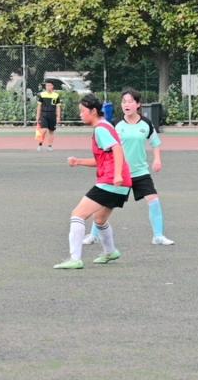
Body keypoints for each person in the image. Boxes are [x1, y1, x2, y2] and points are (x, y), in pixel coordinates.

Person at [84, 89, 174, 246]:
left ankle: (158, 236)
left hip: (140, 172)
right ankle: (93, 235)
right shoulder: (115, 125)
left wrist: (157, 160)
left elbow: (155, 143)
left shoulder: (146, 123)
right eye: (124, 101)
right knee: (105, 203)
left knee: (153, 199)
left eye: (130, 101)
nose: (126, 104)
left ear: (138, 104)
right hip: (120, 172)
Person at [54, 94, 131, 269]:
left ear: (94, 111)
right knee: (100, 219)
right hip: (123, 183)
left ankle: (75, 259)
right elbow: (103, 159)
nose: (80, 114)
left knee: (77, 214)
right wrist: (78, 162)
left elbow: (117, 150)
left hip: (111, 181)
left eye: (83, 111)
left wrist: (117, 175)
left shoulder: (100, 129)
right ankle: (110, 252)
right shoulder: (106, 126)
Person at [36, 80, 61, 151]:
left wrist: (58, 117)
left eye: (49, 85)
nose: (48, 87)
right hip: (44, 114)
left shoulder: (56, 95)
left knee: (51, 131)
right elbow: (39, 106)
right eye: (46, 85)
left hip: (52, 115)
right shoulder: (42, 95)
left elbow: (58, 107)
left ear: (52, 86)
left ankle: (50, 146)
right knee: (43, 130)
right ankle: (40, 145)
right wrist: (37, 116)